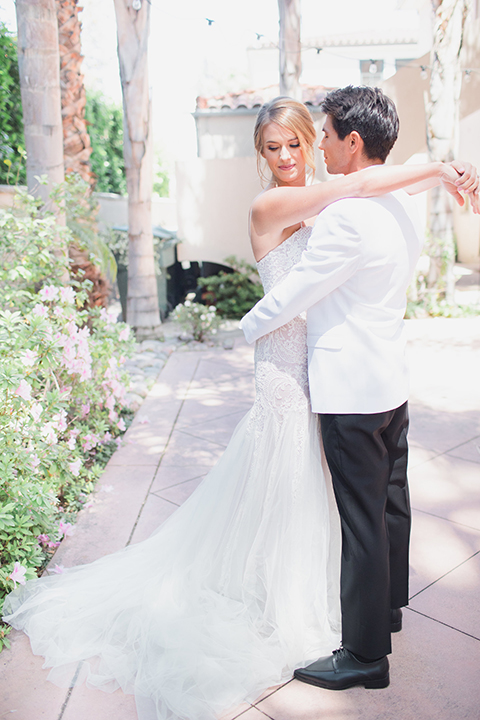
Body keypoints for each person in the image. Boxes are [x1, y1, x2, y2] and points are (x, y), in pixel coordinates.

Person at [3, 94, 478, 719]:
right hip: (289, 368)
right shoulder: (279, 204)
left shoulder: (347, 203)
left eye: (296, 144)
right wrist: (438, 170)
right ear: (262, 156)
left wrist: (433, 171)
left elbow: (367, 181)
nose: (284, 157)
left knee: (340, 499)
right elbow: (365, 181)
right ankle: (314, 607)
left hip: (334, 371)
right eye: (271, 148)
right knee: (297, 487)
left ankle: (353, 615)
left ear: (319, 142)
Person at [240, 87, 478, 693]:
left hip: (348, 388)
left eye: (316, 135)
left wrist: (247, 325)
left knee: (362, 521)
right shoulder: (396, 204)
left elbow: (299, 293)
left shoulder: (348, 211)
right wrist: (442, 172)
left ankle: (365, 655)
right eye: (285, 143)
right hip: (389, 382)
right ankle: (388, 611)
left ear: (350, 142)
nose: (310, 145)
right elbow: (387, 182)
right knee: (391, 503)